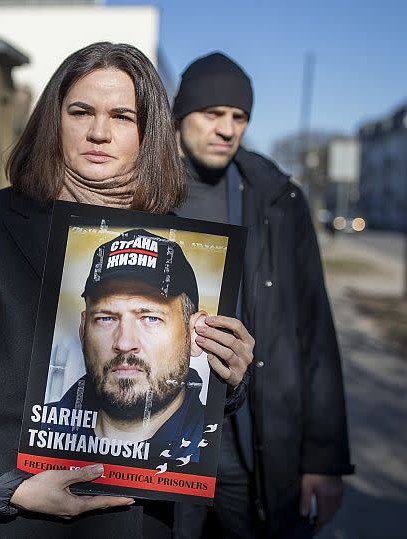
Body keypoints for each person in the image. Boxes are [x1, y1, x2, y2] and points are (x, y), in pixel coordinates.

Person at [0, 42, 255, 538]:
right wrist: (4, 483)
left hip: (135, 521)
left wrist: (229, 377)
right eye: (80, 111)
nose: (99, 133)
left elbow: (191, 383)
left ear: (148, 132)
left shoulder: (182, 245)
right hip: (6, 520)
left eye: (122, 116)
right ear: (52, 119)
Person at [171, 52, 353, 538]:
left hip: (250, 441)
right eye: (212, 114)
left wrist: (325, 461)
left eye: (239, 117)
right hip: (162, 444)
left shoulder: (279, 200)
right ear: (180, 113)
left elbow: (314, 332)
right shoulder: (140, 191)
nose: (227, 129)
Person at [46, 229, 207, 460]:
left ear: (194, 333)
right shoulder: (40, 433)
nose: (124, 343)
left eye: (151, 318)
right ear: (83, 330)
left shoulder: (214, 450)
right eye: (105, 318)